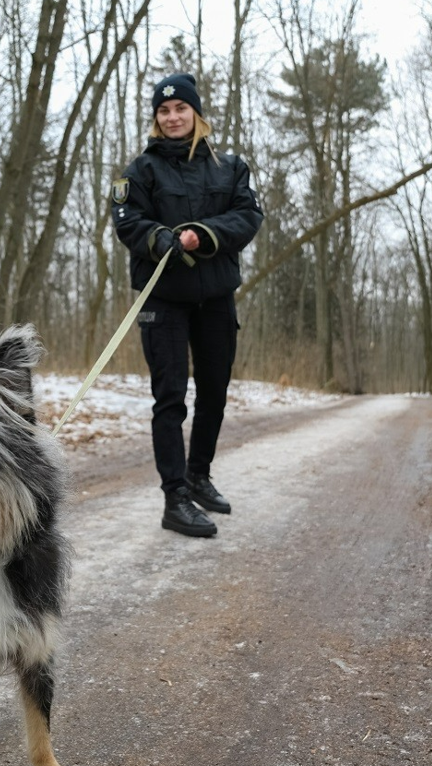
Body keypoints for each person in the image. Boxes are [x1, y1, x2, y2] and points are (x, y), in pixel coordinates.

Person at [111, 73, 264, 538]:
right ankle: (174, 497)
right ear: (157, 119)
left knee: (214, 392)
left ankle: (200, 477)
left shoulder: (230, 168)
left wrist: (206, 234)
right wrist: (160, 238)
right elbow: (128, 222)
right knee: (170, 399)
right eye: (164, 111)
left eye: (181, 109)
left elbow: (248, 216)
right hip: (164, 301)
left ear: (196, 113)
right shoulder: (139, 171)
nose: (173, 117)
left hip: (216, 297)